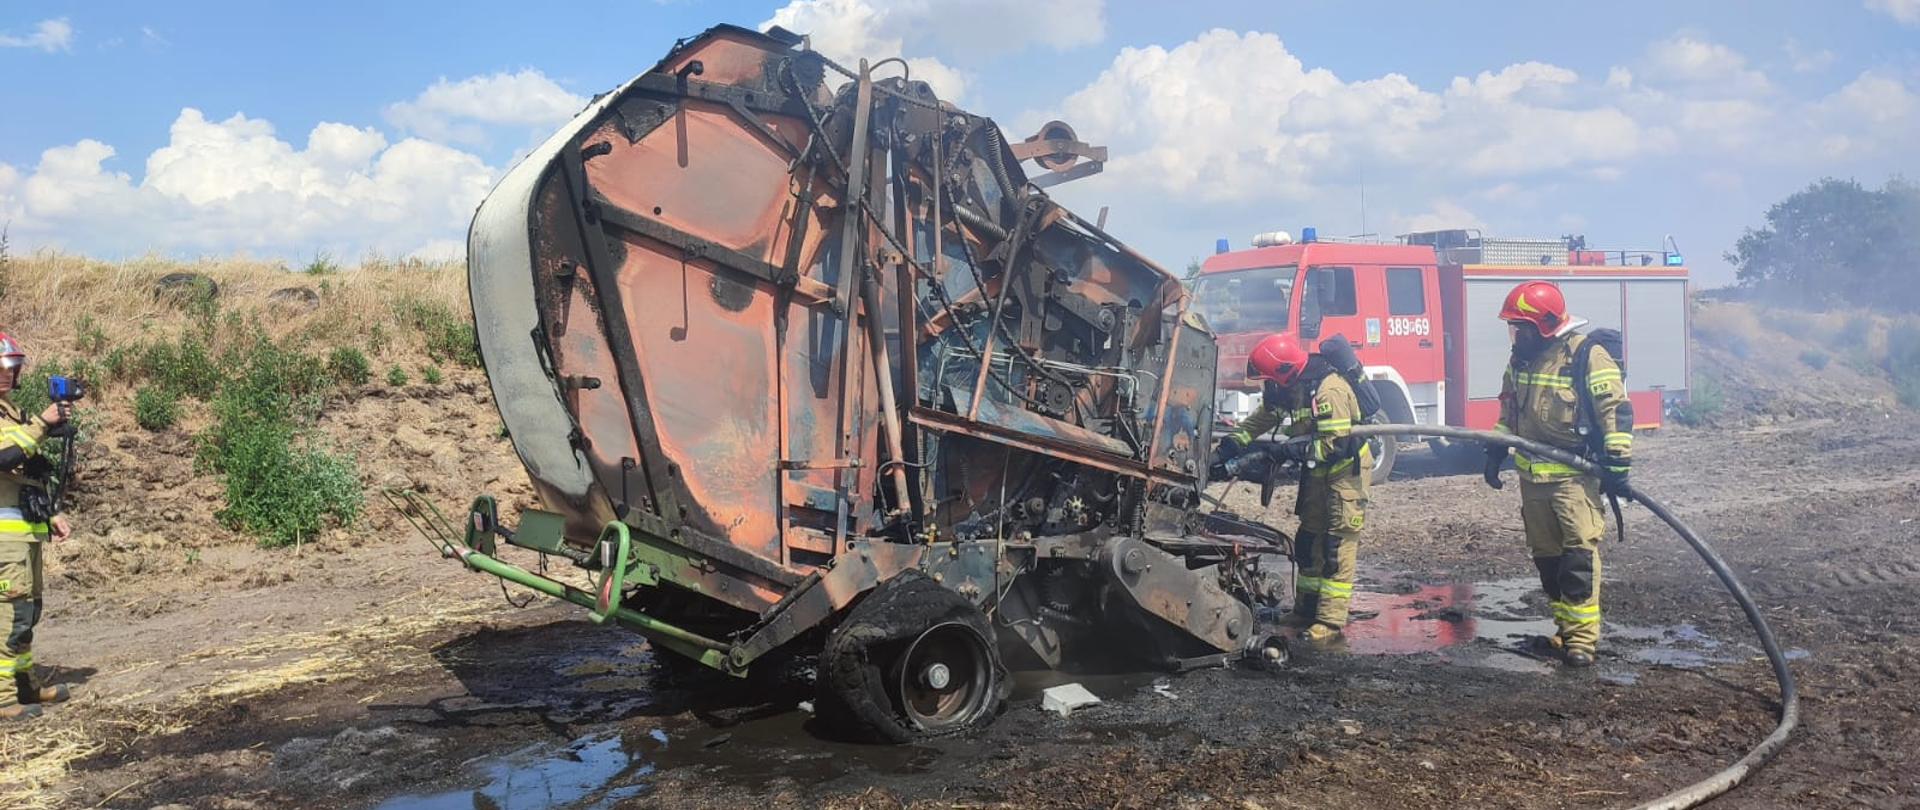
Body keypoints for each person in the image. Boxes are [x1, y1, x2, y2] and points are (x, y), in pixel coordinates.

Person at [1482, 282, 1632, 668]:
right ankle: (1565, 630)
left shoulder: (1586, 356)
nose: (1515, 336)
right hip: (1533, 480)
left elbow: (1615, 408)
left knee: (1577, 559)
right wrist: (1496, 447)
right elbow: (1509, 411)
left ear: (1544, 326)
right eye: (1512, 328)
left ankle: (1582, 641)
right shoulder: (1520, 361)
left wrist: (1617, 461)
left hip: (1573, 479)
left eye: (1521, 327)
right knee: (1548, 561)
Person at [1215, 333, 1372, 645]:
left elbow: (1333, 446)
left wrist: (1286, 451)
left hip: (1344, 475)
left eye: (1270, 379)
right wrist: (1235, 443)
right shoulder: (1293, 386)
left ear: (1285, 371)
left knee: (1335, 547)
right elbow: (1268, 414)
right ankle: (1305, 610)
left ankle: (1329, 621)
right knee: (1308, 539)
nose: (1268, 386)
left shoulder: (1329, 390)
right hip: (1317, 474)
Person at [0, 333, 76, 721]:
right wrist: (41, 426)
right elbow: (4, 457)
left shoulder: (10, 412)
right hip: (3, 540)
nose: (7, 375)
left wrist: (50, 514)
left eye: (11, 368)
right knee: (8, 613)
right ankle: (2, 700)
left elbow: (27, 471)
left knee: (28, 612)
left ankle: (25, 687)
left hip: (25, 532)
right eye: (2, 368)